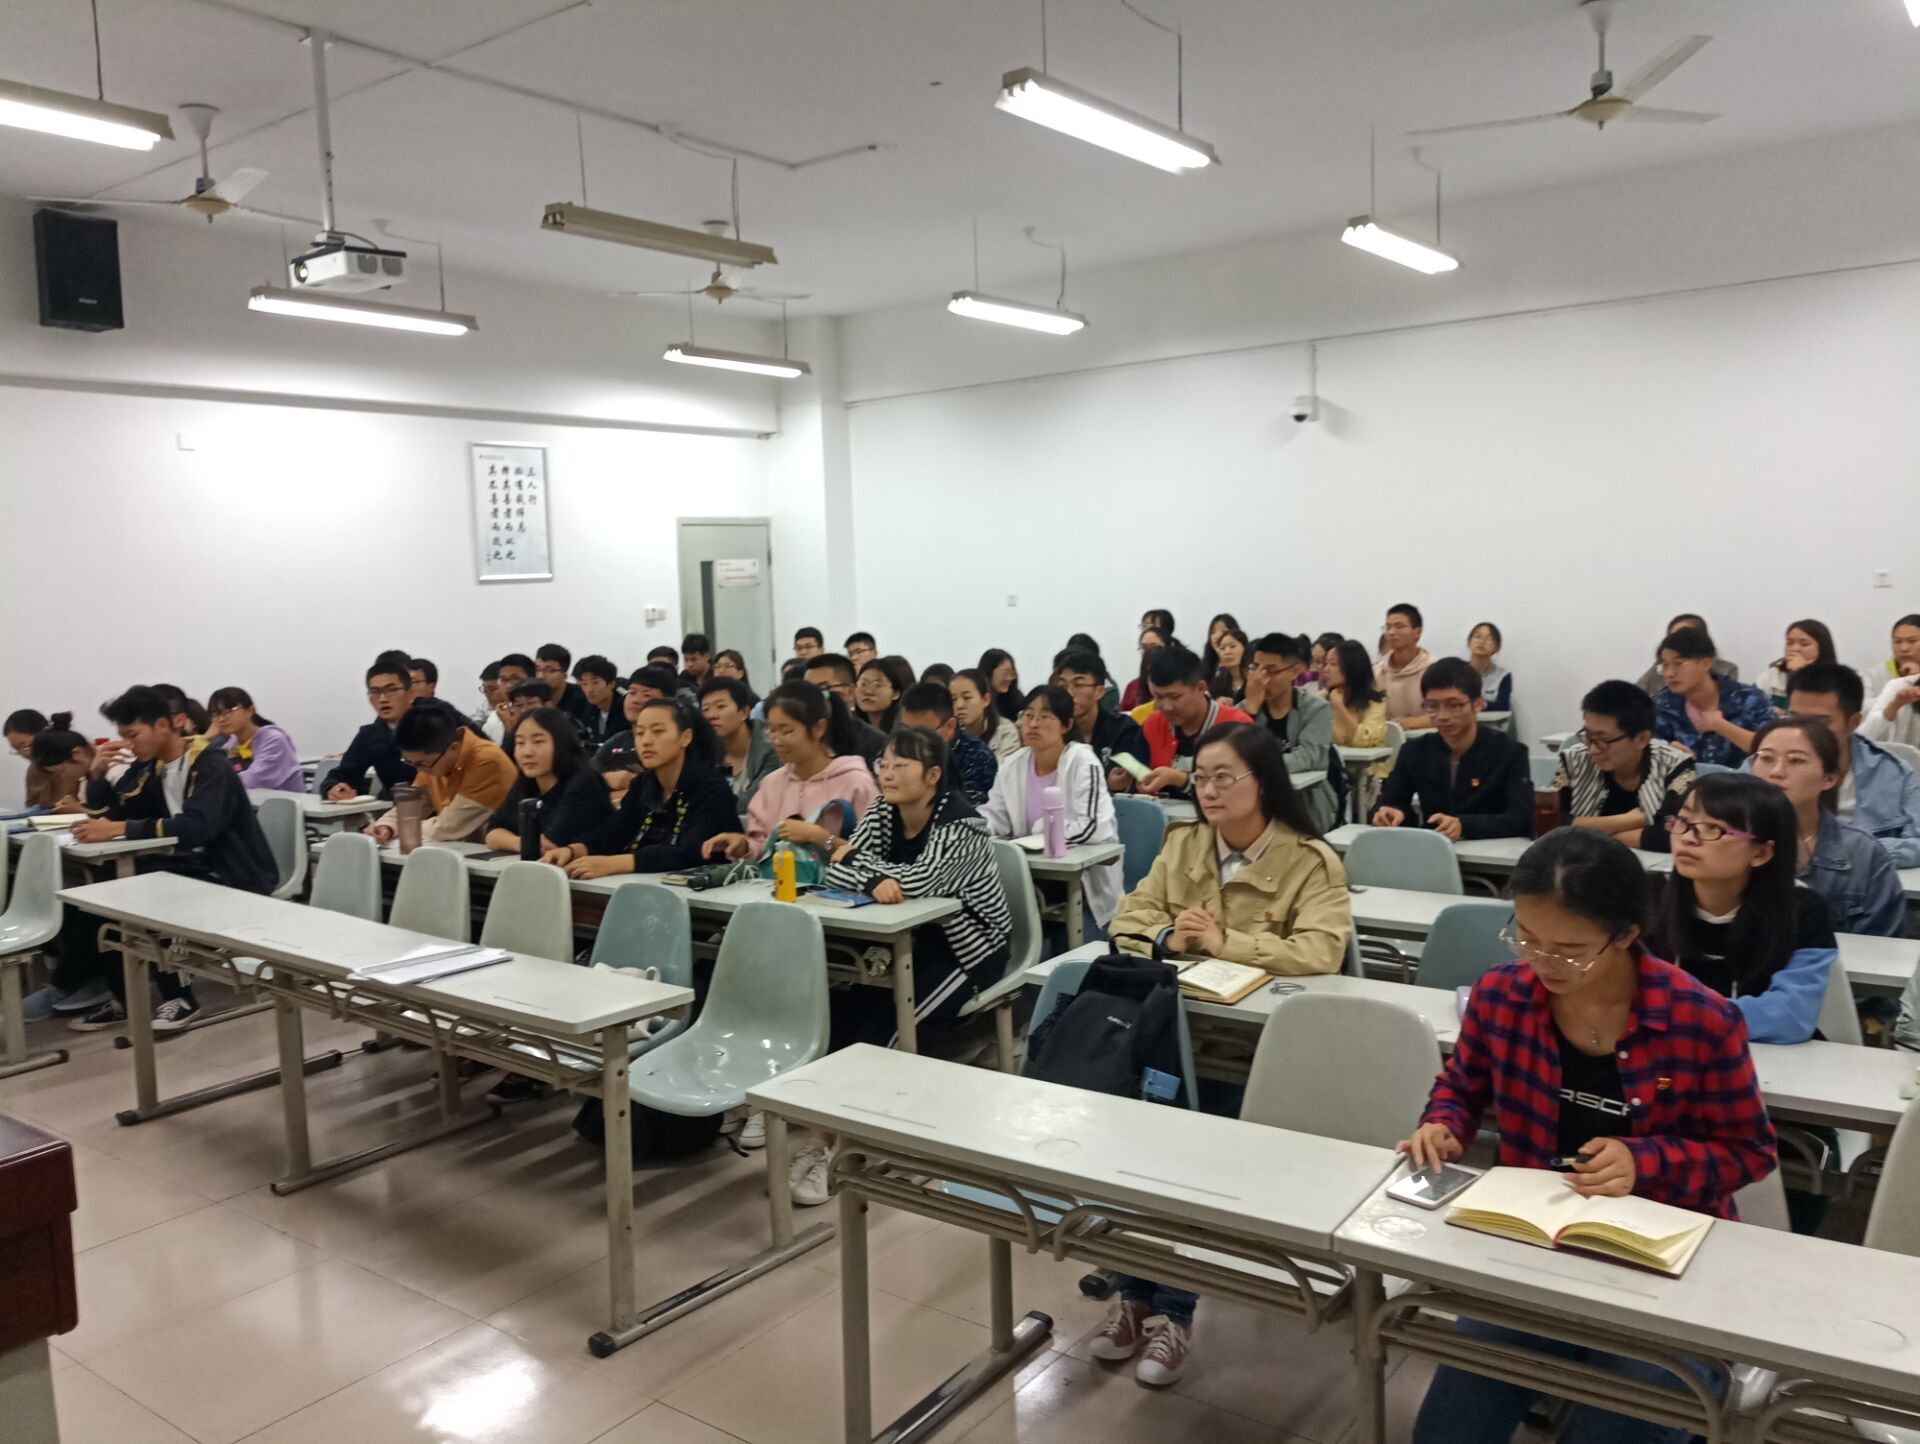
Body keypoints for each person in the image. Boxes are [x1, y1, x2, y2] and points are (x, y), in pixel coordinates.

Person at [1400, 828, 1775, 1444]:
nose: (1545, 963)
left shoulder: (1701, 1019)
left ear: (1626, 934)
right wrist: (1442, 1125)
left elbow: (1750, 1152)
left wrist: (1645, 1161)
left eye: (1570, 950)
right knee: (1452, 1423)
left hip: (1658, 1258)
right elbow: (1462, 1087)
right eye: (1528, 939)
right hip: (1535, 1245)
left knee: (1623, 1414)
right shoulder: (1502, 995)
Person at [1094, 722, 1350, 1385]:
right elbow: (1126, 919)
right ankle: (1135, 1296)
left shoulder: (1310, 860)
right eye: (1201, 777)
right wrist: (1168, 941)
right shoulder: (1183, 844)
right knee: (1140, 1155)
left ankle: (1174, 1314)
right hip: (1174, 1034)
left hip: (1259, 1053)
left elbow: (1321, 952)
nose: (1208, 790)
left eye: (1223, 778)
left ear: (1262, 783)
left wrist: (1224, 943)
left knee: (1195, 1163)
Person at [796, 729, 1011, 1204]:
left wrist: (862, 865)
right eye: (885, 764)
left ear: (933, 775)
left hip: (967, 948)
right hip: (905, 940)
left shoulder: (963, 823)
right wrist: (870, 874)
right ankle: (820, 1136)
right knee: (840, 1013)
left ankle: (851, 1147)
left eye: (901, 765)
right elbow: (836, 868)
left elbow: (922, 880)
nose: (888, 774)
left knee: (890, 1031)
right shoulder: (882, 812)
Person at [52, 686, 280, 1031]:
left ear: (162, 725)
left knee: (145, 892)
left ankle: (180, 998)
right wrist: (96, 776)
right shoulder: (152, 767)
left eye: (133, 734)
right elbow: (117, 812)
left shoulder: (210, 763)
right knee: (101, 895)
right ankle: (124, 998)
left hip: (232, 872)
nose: (128, 744)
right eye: (123, 736)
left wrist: (118, 828)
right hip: (187, 866)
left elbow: (199, 827)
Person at [1648, 774, 1838, 1044]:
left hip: (1772, 1060)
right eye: (1683, 822)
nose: (1688, 838)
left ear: (1761, 853)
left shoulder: (1802, 911)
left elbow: (1791, 1016)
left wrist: (1682, 1014)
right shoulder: (1648, 898)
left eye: (1713, 828)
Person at [1748, 716, 1906, 936]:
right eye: (1766, 758)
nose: (1776, 771)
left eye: (1796, 760)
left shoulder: (1863, 853)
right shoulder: (1727, 839)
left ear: (1829, 779)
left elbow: (1880, 945)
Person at [979, 686, 1121, 927]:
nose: (1033, 724)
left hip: (1081, 880)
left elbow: (1093, 827)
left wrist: (1042, 831)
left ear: (1066, 725)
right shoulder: (1013, 765)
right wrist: (972, 829)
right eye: (1028, 715)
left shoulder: (1083, 762)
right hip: (1028, 869)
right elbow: (995, 816)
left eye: (1045, 716)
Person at [553, 697, 737, 879]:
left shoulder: (712, 788)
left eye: (658, 731)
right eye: (640, 733)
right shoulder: (643, 784)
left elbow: (693, 852)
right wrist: (574, 850)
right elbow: (614, 831)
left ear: (685, 737)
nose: (646, 741)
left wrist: (615, 864)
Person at [701, 682, 880, 863]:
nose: (776, 740)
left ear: (818, 728)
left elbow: (873, 856)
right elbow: (763, 846)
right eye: (771, 730)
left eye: (787, 731)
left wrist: (820, 838)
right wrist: (743, 845)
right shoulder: (772, 783)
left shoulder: (854, 781)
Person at [1777, 664, 1920, 867]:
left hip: (1863, 880)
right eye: (1794, 719)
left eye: (1820, 722)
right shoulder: (1765, 765)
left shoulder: (1895, 773)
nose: (1803, 732)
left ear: (1853, 722)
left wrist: (1848, 847)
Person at [1372, 657, 1531, 839]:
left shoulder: (1510, 752)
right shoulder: (1415, 751)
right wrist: (1391, 812)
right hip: (1434, 848)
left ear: (1478, 705)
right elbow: (1392, 800)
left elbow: (1521, 818)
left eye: (1454, 706)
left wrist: (1464, 825)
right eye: (1432, 706)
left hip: (1491, 852)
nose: (1442, 716)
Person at [1554, 680, 1695, 850]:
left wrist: (1590, 832)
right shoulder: (1574, 759)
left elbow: (1673, 833)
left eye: (1603, 739)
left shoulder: (1676, 765)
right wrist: (1629, 820)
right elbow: (1548, 821)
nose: (1593, 748)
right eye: (1588, 736)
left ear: (1642, 739)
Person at [366, 704, 517, 847]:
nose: (420, 771)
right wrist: (386, 827)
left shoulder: (486, 761)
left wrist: (405, 827)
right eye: (410, 763)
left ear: (453, 748)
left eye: (422, 763)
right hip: (464, 851)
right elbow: (411, 808)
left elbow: (448, 827)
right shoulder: (432, 762)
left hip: (503, 854)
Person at [480, 707, 613, 856]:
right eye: (520, 743)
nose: (527, 752)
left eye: (538, 741)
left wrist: (520, 842)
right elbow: (492, 830)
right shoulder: (526, 783)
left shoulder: (585, 782)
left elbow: (550, 844)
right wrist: (521, 843)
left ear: (562, 743)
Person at [1126, 647, 1253, 797]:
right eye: (1158, 697)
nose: (1166, 707)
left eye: (1175, 697)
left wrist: (1183, 780)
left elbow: (1249, 789)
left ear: (1200, 688)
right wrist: (1127, 783)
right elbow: (1139, 782)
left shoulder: (1238, 727)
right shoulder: (1152, 725)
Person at [1243, 633, 1336, 830]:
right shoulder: (1244, 709)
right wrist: (1250, 711)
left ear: (1294, 671)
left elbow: (1308, 758)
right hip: (1253, 801)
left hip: (1306, 803)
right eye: (1256, 668)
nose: (1261, 679)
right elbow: (1234, 755)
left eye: (1271, 671)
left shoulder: (1317, 709)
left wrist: (1259, 767)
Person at [1652, 626, 1773, 768]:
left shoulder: (1749, 699)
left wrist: (1721, 726)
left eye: (1678, 664)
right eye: (1665, 666)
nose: (1669, 673)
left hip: (1744, 781)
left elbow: (1773, 749)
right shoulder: (1660, 706)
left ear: (1706, 663)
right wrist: (1667, 752)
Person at [323, 650, 432, 800]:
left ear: (410, 692)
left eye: (391, 690)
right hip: (397, 808)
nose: (382, 699)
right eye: (375, 692)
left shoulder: (435, 721)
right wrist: (335, 788)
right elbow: (343, 774)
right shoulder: (371, 735)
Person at [1055, 649, 1146, 791]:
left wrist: (1115, 784)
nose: (1069, 693)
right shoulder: (1053, 731)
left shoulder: (1123, 730)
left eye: (1078, 685)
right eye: (1063, 686)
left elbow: (1132, 779)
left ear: (1099, 691)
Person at [897, 681, 996, 805]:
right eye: (905, 731)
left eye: (921, 733)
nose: (911, 742)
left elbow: (970, 810)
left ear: (950, 726)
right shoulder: (894, 749)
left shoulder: (977, 755)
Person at [591, 663, 681, 792]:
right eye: (632, 692)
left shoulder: (672, 740)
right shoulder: (619, 740)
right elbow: (585, 776)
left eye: (647, 695)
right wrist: (605, 779)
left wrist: (634, 783)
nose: (635, 700)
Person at [699, 677, 779, 813]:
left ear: (744, 712)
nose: (711, 715)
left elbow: (755, 800)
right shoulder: (703, 750)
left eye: (720, 706)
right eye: (705, 709)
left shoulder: (770, 745)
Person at [206, 687, 302, 792]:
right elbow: (208, 774)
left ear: (250, 711)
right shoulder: (232, 743)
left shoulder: (274, 740)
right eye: (215, 714)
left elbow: (252, 781)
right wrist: (206, 738)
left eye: (227, 712)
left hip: (284, 801)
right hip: (251, 801)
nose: (221, 719)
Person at [804, 654, 889, 763]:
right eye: (806, 689)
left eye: (823, 688)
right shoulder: (801, 736)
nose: (811, 696)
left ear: (850, 691)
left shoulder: (875, 742)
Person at [1636, 614, 1741, 695]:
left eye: (1686, 636)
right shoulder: (1660, 669)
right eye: (1674, 637)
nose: (1678, 641)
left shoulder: (1726, 670)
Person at [1321, 639, 1389, 764]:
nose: (1326, 669)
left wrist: (1339, 706)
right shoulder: (1321, 699)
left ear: (1351, 667)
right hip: (1331, 769)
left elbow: (1364, 741)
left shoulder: (1375, 703)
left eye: (1332, 664)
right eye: (1326, 664)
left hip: (1368, 771)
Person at [7, 709, 84, 810]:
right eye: (17, 750)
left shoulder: (78, 760)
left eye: (25, 746)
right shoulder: (33, 770)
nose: (23, 754)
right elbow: (31, 808)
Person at [1756, 619, 1838, 713]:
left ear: (1822, 647)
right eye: (1790, 643)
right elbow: (1753, 707)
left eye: (1804, 644)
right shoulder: (1771, 675)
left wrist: (1800, 674)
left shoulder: (1836, 680)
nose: (1794, 649)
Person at [1864, 614, 1920, 749]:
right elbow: (1863, 715)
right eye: (1897, 642)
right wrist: (1901, 685)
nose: (1904, 648)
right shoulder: (1871, 676)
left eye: (1912, 641)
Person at [1374, 604, 1434, 729]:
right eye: (1388, 627)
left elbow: (1444, 715)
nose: (1391, 632)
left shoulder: (1433, 669)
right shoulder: (1377, 671)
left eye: (1399, 626)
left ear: (1417, 632)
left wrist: (1412, 723)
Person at [951, 667, 1019, 762]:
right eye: (953, 699)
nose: (959, 705)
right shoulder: (950, 733)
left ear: (985, 700)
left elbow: (1002, 769)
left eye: (967, 697)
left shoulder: (1005, 732)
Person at [25, 723, 92, 813]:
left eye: (60, 772)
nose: (61, 778)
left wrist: (80, 810)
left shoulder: (102, 772)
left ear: (77, 754)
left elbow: (109, 817)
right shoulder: (87, 775)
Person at [534, 643, 597, 735]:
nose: (541, 676)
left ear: (564, 675)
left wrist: (555, 716)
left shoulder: (582, 699)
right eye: (538, 669)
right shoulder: (531, 695)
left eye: (550, 670)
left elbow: (583, 735)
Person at [572, 654, 625, 746]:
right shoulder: (588, 709)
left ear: (611, 684)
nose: (589, 689)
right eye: (584, 684)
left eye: (595, 683)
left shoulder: (624, 708)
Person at [854, 657, 908, 734]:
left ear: (895, 693)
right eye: (863, 684)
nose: (868, 691)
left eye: (877, 685)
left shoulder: (904, 728)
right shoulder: (849, 722)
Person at [1466, 622, 1511, 711]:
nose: (1482, 641)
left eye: (1489, 638)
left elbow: (1503, 706)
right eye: (1477, 636)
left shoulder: (1503, 675)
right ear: (1469, 642)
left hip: (1491, 720)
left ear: (1497, 647)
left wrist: (1478, 704)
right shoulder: (1456, 672)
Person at [978, 648, 1022, 723]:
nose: (1009, 678)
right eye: (1005, 673)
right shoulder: (977, 700)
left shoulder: (1016, 699)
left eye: (1011, 673)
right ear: (989, 672)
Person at [1200, 613, 1243, 688]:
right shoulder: (1204, 666)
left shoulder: (1246, 664)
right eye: (1213, 632)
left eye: (1223, 631)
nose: (1217, 636)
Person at [1208, 627, 1250, 702]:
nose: (1227, 652)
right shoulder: (1219, 681)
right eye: (1222, 648)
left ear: (1245, 648)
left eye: (1232, 646)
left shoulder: (1253, 677)